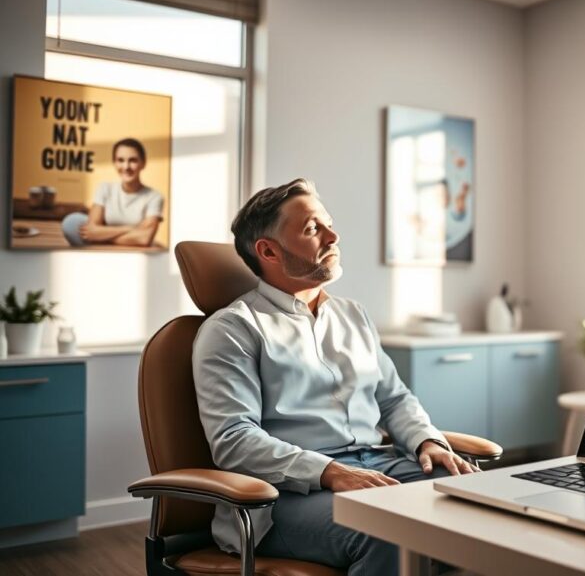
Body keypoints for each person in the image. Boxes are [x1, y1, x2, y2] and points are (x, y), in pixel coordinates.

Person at [193, 178, 477, 575]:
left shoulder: (352, 315)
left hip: (377, 464)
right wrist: (328, 471)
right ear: (268, 250)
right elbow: (234, 440)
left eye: (328, 223)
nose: (333, 235)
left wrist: (427, 441)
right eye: (313, 229)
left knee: (477, 502)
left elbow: (393, 398)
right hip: (283, 497)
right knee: (388, 529)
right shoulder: (233, 329)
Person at [60, 137, 164, 247]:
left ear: (143, 163)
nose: (126, 166)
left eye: (132, 160)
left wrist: (101, 236)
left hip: (139, 257)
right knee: (71, 223)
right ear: (114, 163)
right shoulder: (105, 188)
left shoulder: (154, 197)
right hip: (105, 252)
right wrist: (130, 229)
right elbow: (92, 230)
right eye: (120, 160)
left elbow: (144, 239)